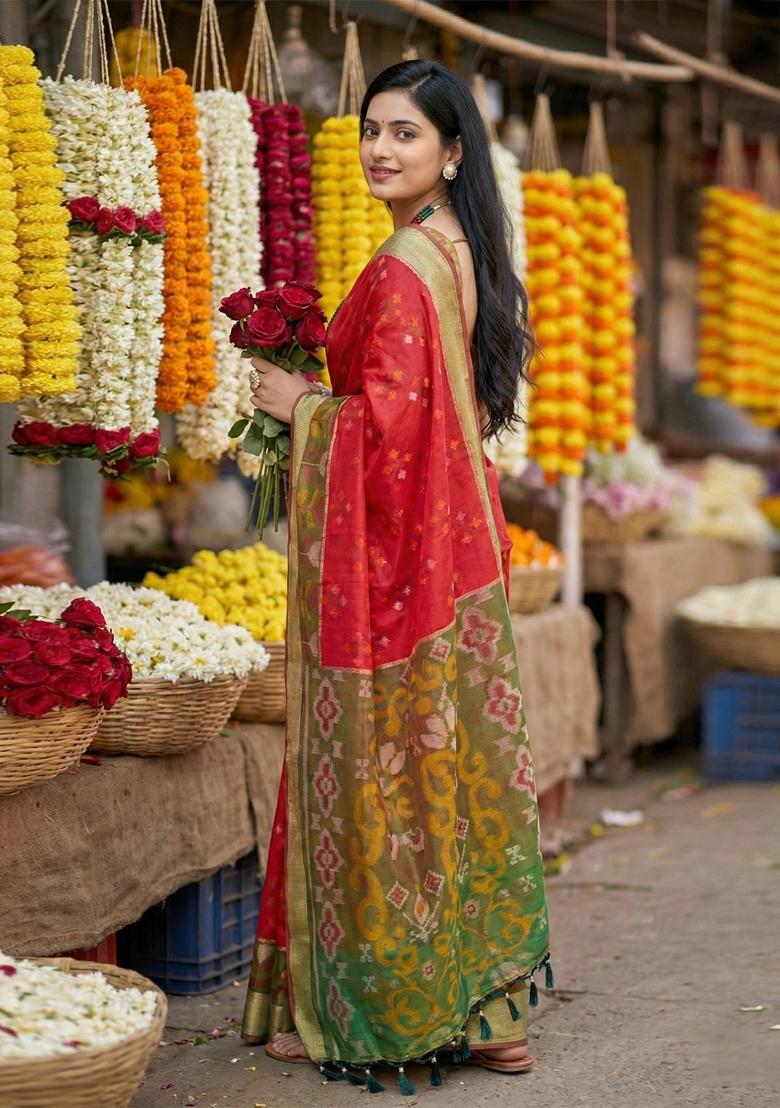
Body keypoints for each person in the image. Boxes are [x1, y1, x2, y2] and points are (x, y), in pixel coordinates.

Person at [240, 59, 551, 1093]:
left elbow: (387, 428)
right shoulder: (460, 250)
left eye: (407, 134)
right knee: (449, 774)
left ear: (452, 151)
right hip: (454, 552)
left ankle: (385, 1006)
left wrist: (298, 408)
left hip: (403, 566)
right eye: (373, 129)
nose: (381, 149)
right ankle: (493, 1009)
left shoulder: (410, 264)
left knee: (386, 773)